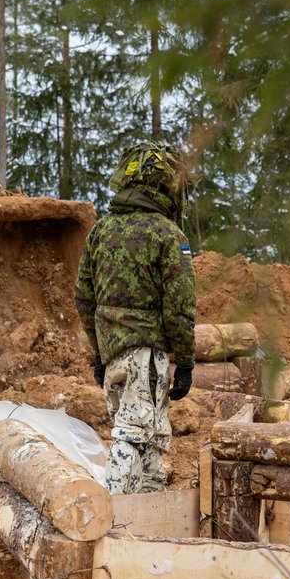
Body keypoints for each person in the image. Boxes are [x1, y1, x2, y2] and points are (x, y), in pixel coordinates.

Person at [74, 140, 197, 494]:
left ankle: (148, 522)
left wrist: (100, 352)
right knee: (133, 438)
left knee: (152, 439)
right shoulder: (169, 235)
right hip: (147, 357)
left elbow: (84, 297)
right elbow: (180, 306)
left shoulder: (102, 230)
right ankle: (111, 517)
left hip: (113, 354)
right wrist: (185, 361)